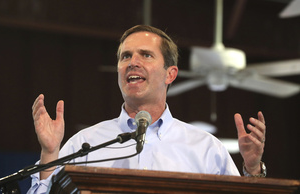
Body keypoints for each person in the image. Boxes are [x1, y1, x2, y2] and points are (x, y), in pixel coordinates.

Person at [28, 25, 266, 193]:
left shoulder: (205, 147)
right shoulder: (85, 143)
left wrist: (253, 169)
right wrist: (49, 153)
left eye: (146, 55)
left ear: (170, 74)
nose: (133, 62)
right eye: (125, 56)